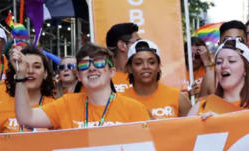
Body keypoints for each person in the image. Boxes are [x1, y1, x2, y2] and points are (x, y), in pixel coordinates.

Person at [14, 43, 149, 130]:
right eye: (84, 65)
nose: (91, 68)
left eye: (99, 63)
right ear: (78, 76)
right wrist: (20, 75)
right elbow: (26, 117)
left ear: (112, 72)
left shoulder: (134, 109)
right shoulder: (67, 104)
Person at [192, 37, 249, 117]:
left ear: (246, 70)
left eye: (232, 61)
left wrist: (220, 123)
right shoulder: (201, 106)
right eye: (219, 62)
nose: (224, 65)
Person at [0, 46, 56, 133]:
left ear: (45, 73)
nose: (30, 71)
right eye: (25, 66)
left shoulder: (55, 106)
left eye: (37, 67)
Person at [122, 39, 191, 119]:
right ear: (130, 68)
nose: (146, 67)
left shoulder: (178, 98)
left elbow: (193, 128)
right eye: (138, 63)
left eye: (151, 62)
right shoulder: (119, 101)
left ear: (158, 66)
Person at [105, 23, 141, 93]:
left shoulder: (143, 76)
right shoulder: (101, 78)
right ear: (122, 46)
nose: (140, 46)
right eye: (137, 42)